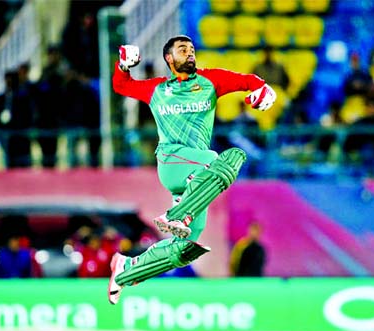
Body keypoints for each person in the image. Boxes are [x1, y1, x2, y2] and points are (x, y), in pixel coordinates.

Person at [107, 35, 276, 305]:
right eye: (182, 50)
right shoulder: (157, 89)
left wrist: (263, 89)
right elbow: (121, 85)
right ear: (169, 58)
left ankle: (126, 271)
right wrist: (123, 65)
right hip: (172, 161)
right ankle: (179, 214)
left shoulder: (210, 81)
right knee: (217, 158)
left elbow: (247, 80)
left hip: (198, 178)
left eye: (192, 49)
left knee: (186, 246)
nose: (190, 53)